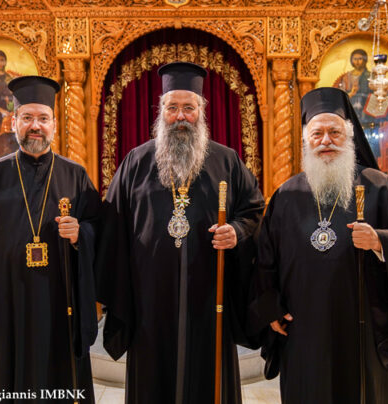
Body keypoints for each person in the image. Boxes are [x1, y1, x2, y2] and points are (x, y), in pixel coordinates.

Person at [95, 62, 265, 404]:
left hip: (210, 296)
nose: (181, 116)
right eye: (172, 108)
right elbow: (111, 227)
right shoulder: (135, 163)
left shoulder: (226, 161)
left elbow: (255, 212)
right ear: (161, 112)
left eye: (189, 108)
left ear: (201, 112)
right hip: (148, 300)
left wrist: (236, 231)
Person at [249, 87, 388, 404]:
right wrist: (271, 308)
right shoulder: (285, 196)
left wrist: (380, 241)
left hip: (364, 330)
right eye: (317, 133)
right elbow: (265, 259)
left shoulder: (379, 186)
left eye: (334, 132)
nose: (326, 141)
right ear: (306, 140)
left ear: (349, 137)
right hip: (302, 329)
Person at [0, 76, 100, 403]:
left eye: (43, 118)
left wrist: (80, 235)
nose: (35, 126)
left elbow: (100, 232)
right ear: (14, 121)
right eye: (27, 117)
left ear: (54, 125)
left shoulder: (75, 175)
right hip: (5, 307)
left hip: (59, 305)